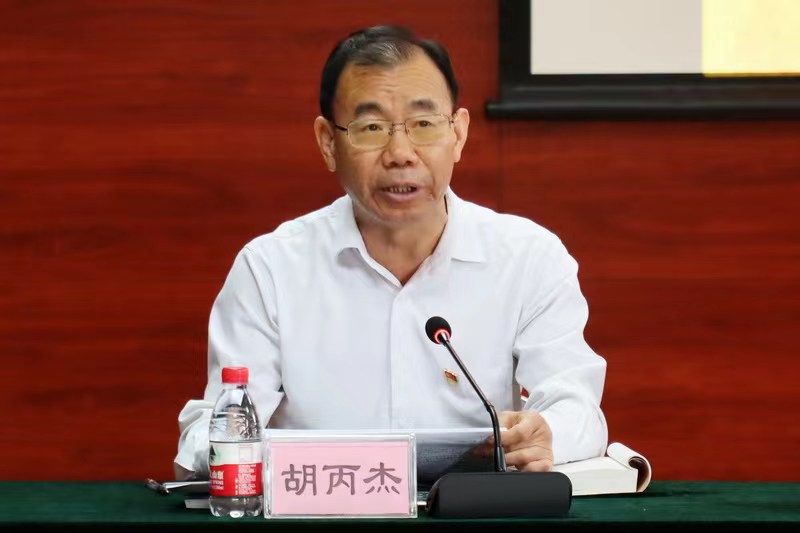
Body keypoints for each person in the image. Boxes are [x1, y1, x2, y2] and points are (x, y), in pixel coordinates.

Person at [174, 25, 607, 480]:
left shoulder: (530, 259)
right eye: (371, 128)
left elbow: (576, 409)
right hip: (323, 510)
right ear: (328, 143)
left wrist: (545, 434)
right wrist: (226, 448)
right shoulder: (271, 269)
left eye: (424, 124)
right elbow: (213, 430)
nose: (401, 153)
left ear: (458, 134)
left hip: (472, 509)